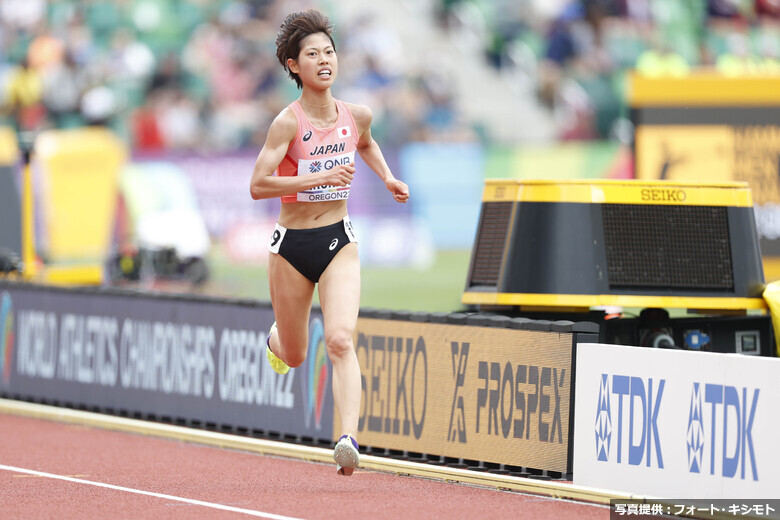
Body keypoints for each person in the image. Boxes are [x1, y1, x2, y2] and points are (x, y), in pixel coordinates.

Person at [249, 9, 409, 476]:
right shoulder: (286, 123)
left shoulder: (356, 114)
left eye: (330, 52)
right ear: (294, 66)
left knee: (340, 340)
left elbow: (366, 143)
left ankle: (347, 439)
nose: (324, 61)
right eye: (312, 54)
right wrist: (317, 174)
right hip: (291, 248)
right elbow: (258, 185)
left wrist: (388, 177)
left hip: (338, 240)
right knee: (296, 355)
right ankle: (276, 338)